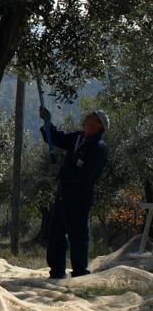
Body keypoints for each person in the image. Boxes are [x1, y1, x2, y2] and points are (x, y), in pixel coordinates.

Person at [40, 107, 109, 279]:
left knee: (78, 236)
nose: (86, 117)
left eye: (91, 117)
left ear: (99, 126)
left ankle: (79, 273)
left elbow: (86, 175)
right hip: (63, 194)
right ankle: (56, 271)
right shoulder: (78, 137)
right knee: (56, 233)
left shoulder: (98, 148)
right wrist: (47, 122)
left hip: (80, 197)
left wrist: (61, 171)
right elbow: (57, 138)